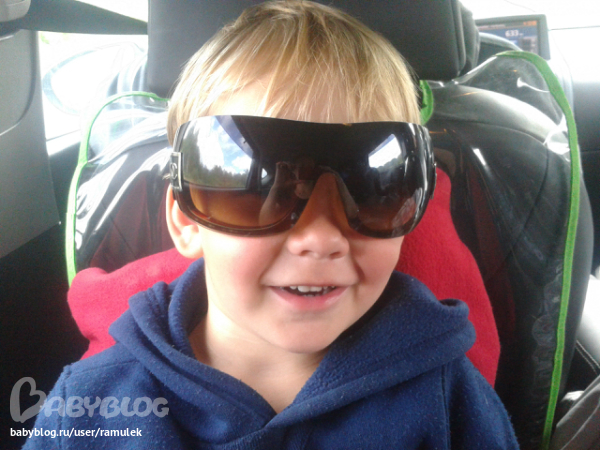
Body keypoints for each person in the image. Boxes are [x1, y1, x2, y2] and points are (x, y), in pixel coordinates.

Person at [23, 2, 518, 448]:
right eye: (258, 187)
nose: (321, 239)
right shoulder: (93, 407)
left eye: (373, 188)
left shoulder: (446, 394)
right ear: (186, 219)